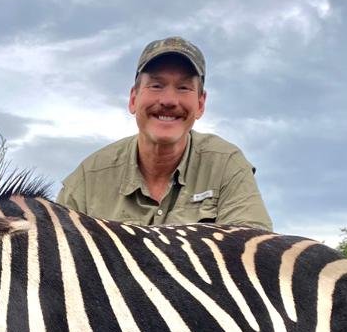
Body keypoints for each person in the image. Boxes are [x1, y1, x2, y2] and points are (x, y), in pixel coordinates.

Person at [56, 37, 272, 230]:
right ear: (133, 99)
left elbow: (255, 253)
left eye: (183, 88)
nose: (169, 100)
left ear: (200, 104)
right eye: (156, 85)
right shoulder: (87, 179)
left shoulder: (226, 164)